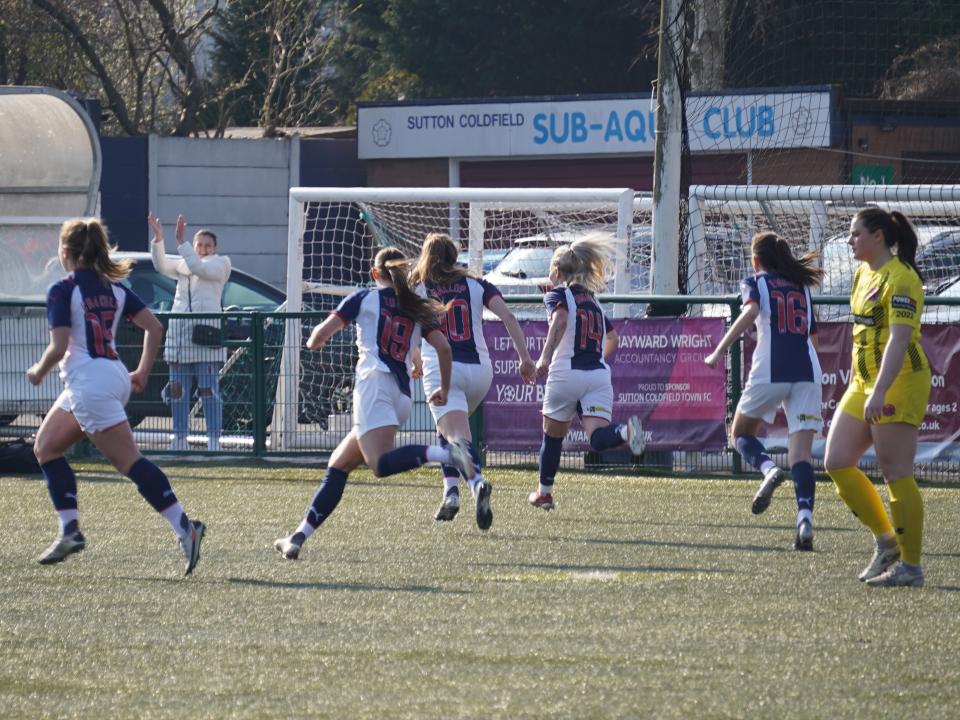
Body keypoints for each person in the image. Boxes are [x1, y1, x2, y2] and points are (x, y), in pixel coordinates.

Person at [27, 218, 204, 575]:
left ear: (66, 252)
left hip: (90, 383)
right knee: (45, 447)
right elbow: (154, 326)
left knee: (130, 462)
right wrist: (141, 371)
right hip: (111, 376)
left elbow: (58, 347)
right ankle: (69, 530)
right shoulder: (115, 289)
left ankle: (186, 527)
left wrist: (39, 370)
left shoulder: (62, 289)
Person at [274, 247, 477, 560]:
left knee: (379, 465)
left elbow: (320, 336)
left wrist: (314, 339)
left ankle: (448, 453)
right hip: (401, 395)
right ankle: (298, 536)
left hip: (374, 386)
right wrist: (444, 388)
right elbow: (444, 349)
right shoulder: (416, 306)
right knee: (339, 464)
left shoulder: (364, 297)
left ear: (374, 273)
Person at [824, 207, 930, 587]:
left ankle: (911, 567)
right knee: (837, 461)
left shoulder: (901, 278)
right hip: (864, 381)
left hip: (899, 380)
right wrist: (862, 383)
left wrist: (880, 389)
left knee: (895, 472)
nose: (850, 241)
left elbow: (899, 341)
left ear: (878, 236)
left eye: (855, 234)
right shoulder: (862, 274)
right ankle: (887, 542)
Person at [703, 232, 823, 550]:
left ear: (756, 261)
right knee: (801, 456)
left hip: (772, 367)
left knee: (740, 433)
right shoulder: (802, 286)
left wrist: (718, 351)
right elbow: (812, 338)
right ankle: (805, 519)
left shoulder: (755, 281)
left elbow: (751, 312)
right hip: (808, 371)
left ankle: (768, 470)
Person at [409, 233, 536, 528]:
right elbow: (509, 318)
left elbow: (410, 329)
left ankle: (476, 484)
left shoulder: (419, 287)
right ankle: (450, 493)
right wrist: (525, 358)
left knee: (457, 437)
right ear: (455, 256)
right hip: (480, 372)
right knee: (448, 430)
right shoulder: (476, 284)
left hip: (444, 371)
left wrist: (414, 360)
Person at [528, 233, 644, 511]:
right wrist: (595, 360)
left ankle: (545, 494)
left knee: (552, 436)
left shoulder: (558, 294)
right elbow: (613, 339)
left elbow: (560, 319)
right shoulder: (594, 301)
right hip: (598, 375)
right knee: (598, 437)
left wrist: (544, 358)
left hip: (566, 373)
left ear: (558, 271)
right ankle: (626, 432)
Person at [147, 211, 231, 451]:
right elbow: (161, 265)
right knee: (177, 391)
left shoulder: (220, 264)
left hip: (205, 337)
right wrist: (159, 239)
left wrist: (181, 242)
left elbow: (199, 268)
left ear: (215, 248)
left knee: (208, 390)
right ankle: (179, 437)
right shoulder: (184, 263)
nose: (203, 249)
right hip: (180, 339)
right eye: (199, 244)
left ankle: (214, 439)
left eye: (207, 245)